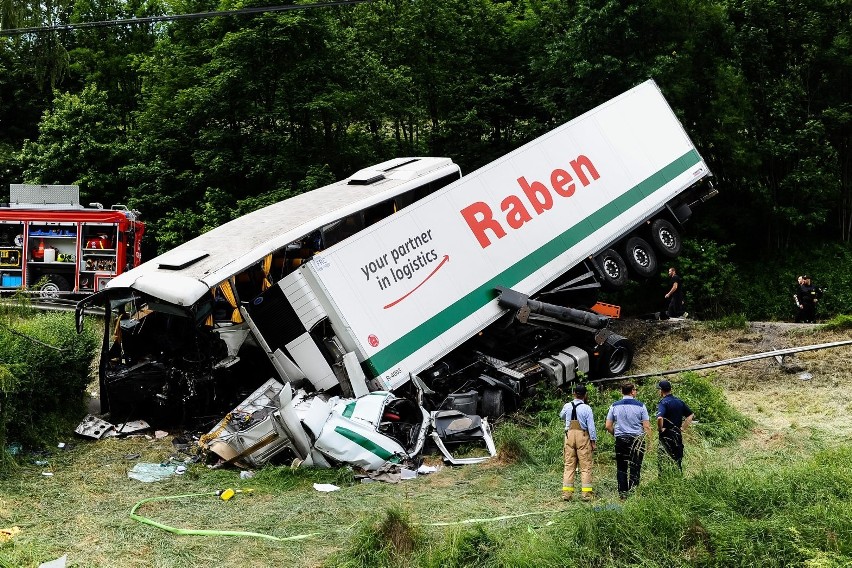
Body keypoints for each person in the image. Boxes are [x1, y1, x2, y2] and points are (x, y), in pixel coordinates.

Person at [605, 383, 652, 498]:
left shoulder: (614, 406)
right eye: (635, 390)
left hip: (621, 440)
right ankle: (633, 492)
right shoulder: (641, 406)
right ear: (632, 392)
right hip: (637, 440)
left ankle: (623, 494)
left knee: (621, 467)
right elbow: (646, 426)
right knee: (635, 466)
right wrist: (649, 442)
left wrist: (617, 434)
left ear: (622, 391)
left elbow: (608, 425)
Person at [559, 384, 597, 501]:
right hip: (582, 435)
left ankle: (567, 494)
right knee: (585, 466)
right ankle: (586, 495)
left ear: (574, 394)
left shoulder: (567, 405)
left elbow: (561, 416)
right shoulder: (587, 408)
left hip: (569, 435)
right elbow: (591, 427)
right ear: (585, 395)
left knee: (569, 465)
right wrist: (593, 441)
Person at [656, 380, 694, 475]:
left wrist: (660, 429)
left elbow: (660, 418)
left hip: (666, 435)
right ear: (670, 389)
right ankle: (678, 478)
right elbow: (690, 415)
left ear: (661, 390)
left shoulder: (663, 403)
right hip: (677, 434)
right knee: (677, 459)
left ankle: (664, 480)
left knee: (664, 460)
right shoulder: (679, 401)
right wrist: (682, 428)